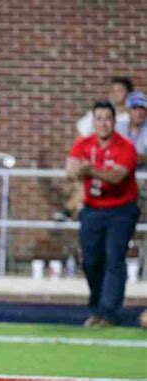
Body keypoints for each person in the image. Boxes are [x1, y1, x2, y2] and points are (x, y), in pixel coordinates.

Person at [67, 100, 139, 327]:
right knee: (90, 261)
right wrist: (77, 169)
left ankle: (109, 312)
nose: (103, 124)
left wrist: (89, 170)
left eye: (107, 119)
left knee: (114, 259)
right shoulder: (84, 144)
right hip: (92, 210)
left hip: (121, 210)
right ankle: (97, 307)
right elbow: (70, 171)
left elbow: (117, 176)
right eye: (98, 119)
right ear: (93, 121)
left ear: (114, 122)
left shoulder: (125, 147)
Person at [54, 77, 134, 221]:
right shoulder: (99, 113)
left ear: (128, 94)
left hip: (120, 166)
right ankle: (74, 207)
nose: (116, 94)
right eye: (113, 90)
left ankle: (70, 208)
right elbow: (80, 135)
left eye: (120, 90)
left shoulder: (131, 116)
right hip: (96, 160)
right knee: (78, 178)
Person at [116, 91, 147, 168]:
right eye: (134, 108)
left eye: (142, 108)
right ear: (128, 110)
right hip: (120, 172)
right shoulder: (118, 126)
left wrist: (143, 158)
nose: (139, 113)